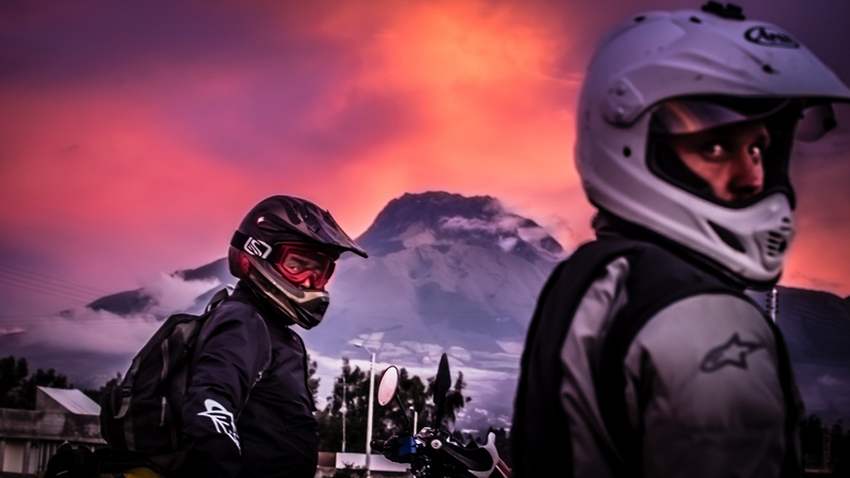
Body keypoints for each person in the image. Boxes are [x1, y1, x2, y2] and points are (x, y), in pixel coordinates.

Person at [512, 3, 849, 477]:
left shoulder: (592, 278)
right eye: (716, 147)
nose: (752, 178)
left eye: (759, 149)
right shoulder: (708, 323)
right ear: (636, 142)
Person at [178, 195, 367, 477]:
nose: (308, 282)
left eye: (319, 273)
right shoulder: (244, 320)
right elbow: (210, 408)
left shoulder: (274, 330)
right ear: (258, 253)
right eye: (296, 266)